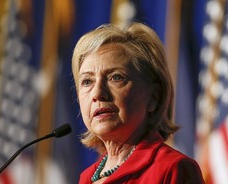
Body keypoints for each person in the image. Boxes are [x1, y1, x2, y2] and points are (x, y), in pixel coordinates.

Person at [72, 22, 204, 184]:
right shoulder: (87, 178)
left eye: (116, 77)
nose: (98, 94)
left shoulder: (172, 168)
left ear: (154, 96)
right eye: (87, 81)